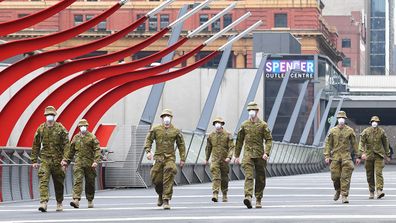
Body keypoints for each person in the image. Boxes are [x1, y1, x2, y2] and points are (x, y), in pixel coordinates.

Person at [144, 109, 186, 210]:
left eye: (168, 116)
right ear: (162, 118)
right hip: (158, 158)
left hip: (170, 158)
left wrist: (182, 158)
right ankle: (160, 195)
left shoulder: (176, 131)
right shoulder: (156, 129)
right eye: (164, 116)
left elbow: (181, 145)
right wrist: (148, 151)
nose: (166, 118)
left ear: (171, 118)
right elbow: (149, 139)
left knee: (169, 174)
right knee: (156, 179)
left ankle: (166, 200)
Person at [234, 102, 273, 209]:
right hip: (248, 155)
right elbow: (239, 141)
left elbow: (269, 140)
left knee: (260, 178)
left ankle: (259, 199)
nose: (251, 112)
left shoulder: (263, 125)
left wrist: (266, 153)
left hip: (260, 155)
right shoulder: (244, 125)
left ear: (257, 111)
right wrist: (236, 156)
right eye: (249, 110)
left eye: (253, 110)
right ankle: (248, 197)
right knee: (249, 176)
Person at [31, 106, 69, 212]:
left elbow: (67, 145)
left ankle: (59, 202)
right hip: (45, 160)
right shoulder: (41, 128)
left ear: (54, 115)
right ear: (45, 116)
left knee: (59, 183)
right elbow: (36, 145)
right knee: (43, 180)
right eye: (48, 115)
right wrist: (34, 160)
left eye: (51, 114)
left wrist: (65, 159)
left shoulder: (60, 128)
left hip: (58, 160)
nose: (49, 116)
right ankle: (43, 202)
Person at [62, 119, 101, 208]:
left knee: (90, 182)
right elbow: (71, 151)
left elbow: (97, 150)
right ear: (79, 127)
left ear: (87, 127)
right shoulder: (76, 138)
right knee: (77, 181)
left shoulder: (92, 137)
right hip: (78, 163)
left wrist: (96, 161)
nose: (83, 127)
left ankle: (90, 200)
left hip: (90, 164)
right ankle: (76, 200)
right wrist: (66, 161)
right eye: (81, 126)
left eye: (84, 126)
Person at [324, 111, 360, 204]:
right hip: (335, 157)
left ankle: (344, 195)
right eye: (340, 118)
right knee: (335, 177)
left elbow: (354, 144)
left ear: (345, 119)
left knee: (345, 177)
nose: (341, 119)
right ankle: (338, 190)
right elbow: (328, 144)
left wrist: (357, 156)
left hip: (346, 157)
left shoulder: (349, 131)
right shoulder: (333, 131)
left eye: (343, 118)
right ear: (337, 119)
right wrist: (327, 155)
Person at [359, 116, 390, 199]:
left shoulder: (381, 132)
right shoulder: (366, 131)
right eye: (373, 121)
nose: (374, 122)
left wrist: (387, 154)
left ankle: (379, 190)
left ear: (378, 123)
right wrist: (362, 153)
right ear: (371, 122)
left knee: (378, 173)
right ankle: (371, 191)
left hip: (379, 156)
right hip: (368, 156)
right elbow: (361, 142)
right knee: (369, 175)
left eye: (376, 121)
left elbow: (385, 143)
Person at [205, 117, 234, 202]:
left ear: (222, 124)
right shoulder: (211, 135)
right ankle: (215, 193)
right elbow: (208, 147)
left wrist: (229, 157)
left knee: (224, 178)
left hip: (224, 160)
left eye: (219, 122)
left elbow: (231, 147)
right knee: (216, 176)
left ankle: (224, 194)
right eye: (216, 123)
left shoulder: (228, 134)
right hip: (215, 159)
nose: (217, 124)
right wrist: (206, 158)